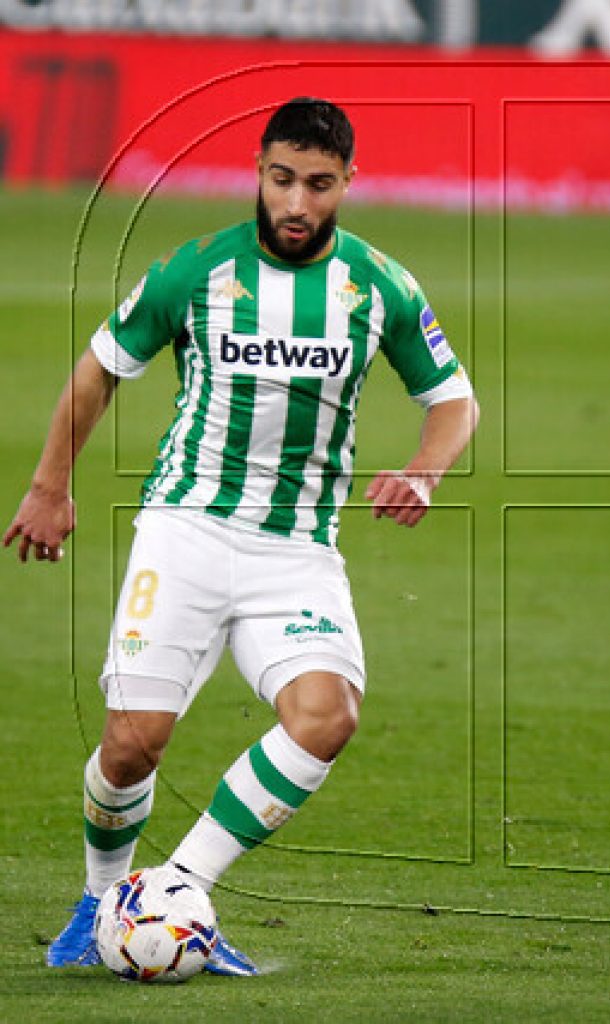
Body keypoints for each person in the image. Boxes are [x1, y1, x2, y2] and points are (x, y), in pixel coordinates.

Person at [4, 97, 478, 976]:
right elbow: (100, 368)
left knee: (325, 718)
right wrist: (48, 487)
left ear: (349, 183)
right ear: (259, 171)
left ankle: (175, 891)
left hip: (296, 552)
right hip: (184, 530)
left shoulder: (380, 286)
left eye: (320, 185)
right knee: (131, 742)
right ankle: (96, 898)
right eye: (283, 180)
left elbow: (454, 399)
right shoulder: (196, 271)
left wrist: (424, 468)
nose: (299, 204)